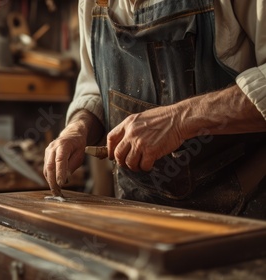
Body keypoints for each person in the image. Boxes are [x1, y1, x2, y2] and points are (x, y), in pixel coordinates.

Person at [44, 0, 266, 219]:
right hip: (138, 215)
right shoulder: (92, 3)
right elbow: (95, 88)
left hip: (245, 216)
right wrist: (78, 129)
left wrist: (178, 120)